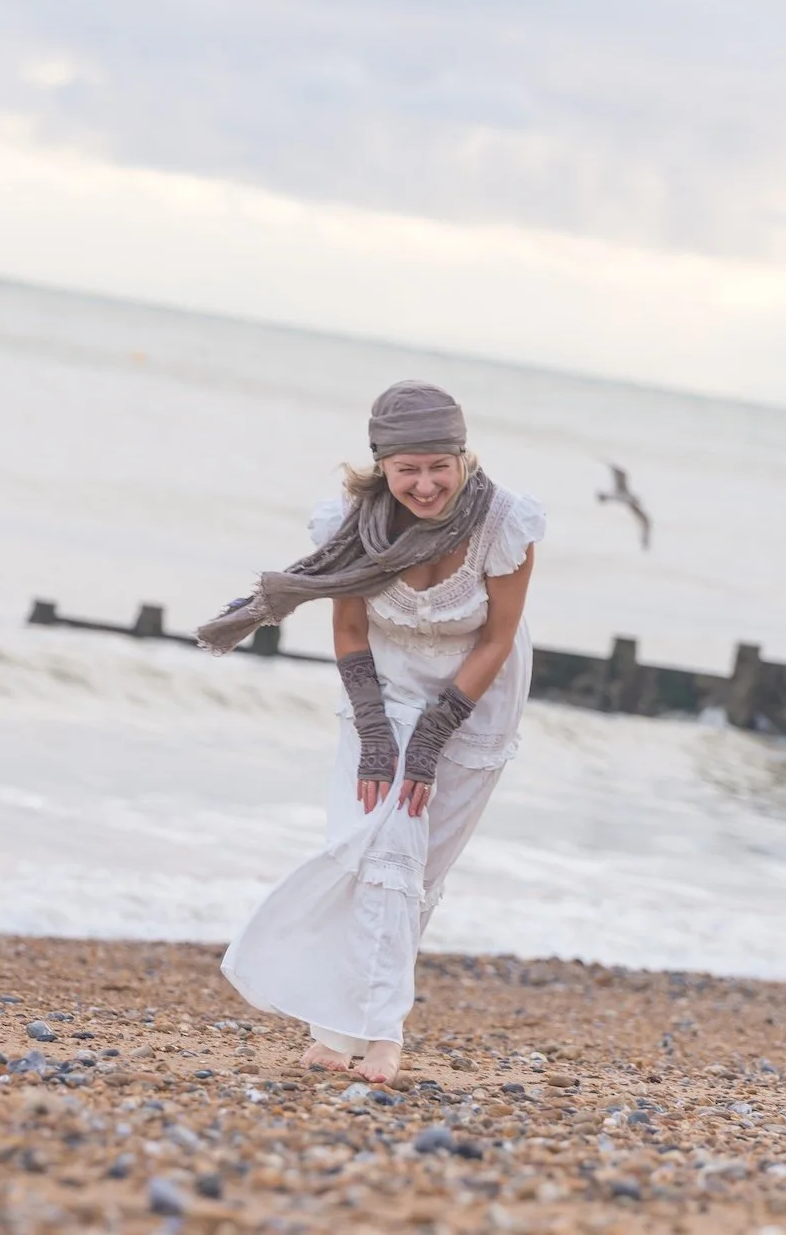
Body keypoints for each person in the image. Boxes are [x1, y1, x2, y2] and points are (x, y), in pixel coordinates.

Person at [196, 381, 544, 1084]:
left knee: (417, 871)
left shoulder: (505, 523)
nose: (424, 483)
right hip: (380, 690)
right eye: (406, 467)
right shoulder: (351, 523)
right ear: (381, 464)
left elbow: (497, 638)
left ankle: (338, 1030)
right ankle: (380, 1033)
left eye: (438, 465)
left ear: (462, 456)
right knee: (374, 845)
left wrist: (433, 736)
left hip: (477, 693)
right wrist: (383, 737)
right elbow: (350, 628)